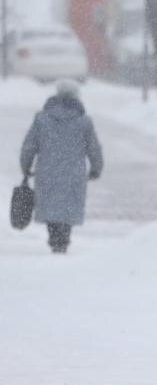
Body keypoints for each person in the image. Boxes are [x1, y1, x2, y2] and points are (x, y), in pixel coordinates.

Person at [19, 79, 104, 254]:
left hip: (47, 173)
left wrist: (25, 165)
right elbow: (93, 147)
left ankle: (54, 239)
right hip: (73, 174)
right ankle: (63, 240)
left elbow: (29, 145)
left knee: (51, 208)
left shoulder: (42, 118)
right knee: (67, 209)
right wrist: (96, 168)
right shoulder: (83, 121)